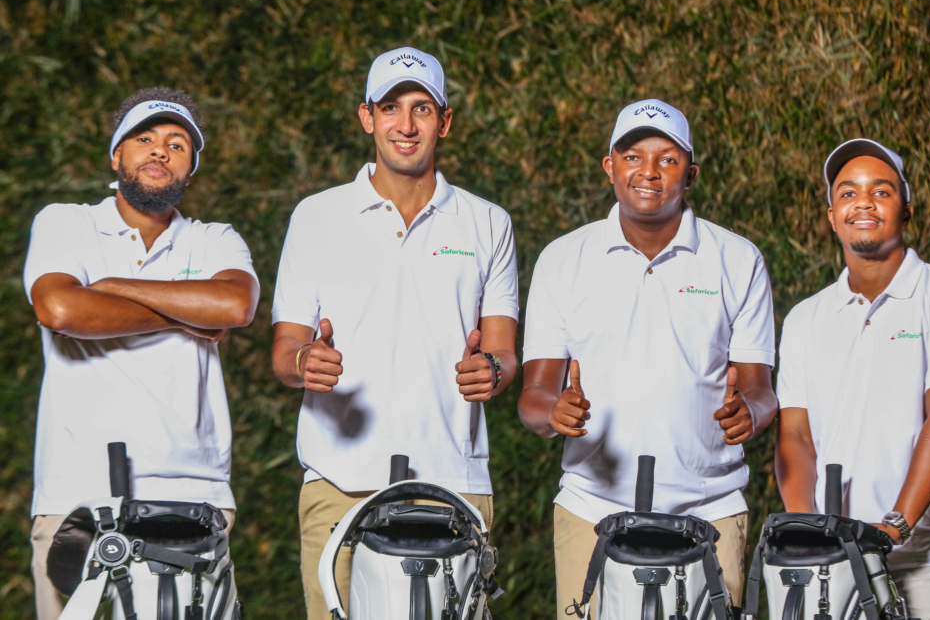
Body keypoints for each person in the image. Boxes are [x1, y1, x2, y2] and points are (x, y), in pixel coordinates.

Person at [270, 47, 520, 619]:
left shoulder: (488, 222)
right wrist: (305, 359)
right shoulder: (316, 216)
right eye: (390, 108)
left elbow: (503, 351)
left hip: (452, 480)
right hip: (339, 481)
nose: (405, 125)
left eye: (422, 108)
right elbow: (284, 350)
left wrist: (495, 372)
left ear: (445, 121)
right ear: (367, 117)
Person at [518, 99, 778, 618]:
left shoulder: (737, 259)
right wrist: (553, 412)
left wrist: (749, 412)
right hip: (591, 507)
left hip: (709, 508)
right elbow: (532, 396)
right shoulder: (564, 258)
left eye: (668, 159)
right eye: (633, 156)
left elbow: (761, 390)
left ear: (691, 173)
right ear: (610, 166)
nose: (649, 172)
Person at [24, 88, 260, 620]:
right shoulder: (67, 222)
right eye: (145, 138)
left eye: (177, 144)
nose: (160, 151)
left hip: (193, 493)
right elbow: (60, 309)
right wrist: (185, 311)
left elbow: (234, 303)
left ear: (190, 171)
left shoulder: (215, 239)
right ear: (116, 155)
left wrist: (110, 288)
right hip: (77, 494)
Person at [775, 139, 930, 620]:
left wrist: (894, 527)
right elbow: (795, 434)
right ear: (831, 215)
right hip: (830, 559)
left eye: (881, 191)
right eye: (848, 193)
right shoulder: (806, 318)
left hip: (922, 558)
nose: (863, 202)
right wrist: (808, 528)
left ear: (906, 209)